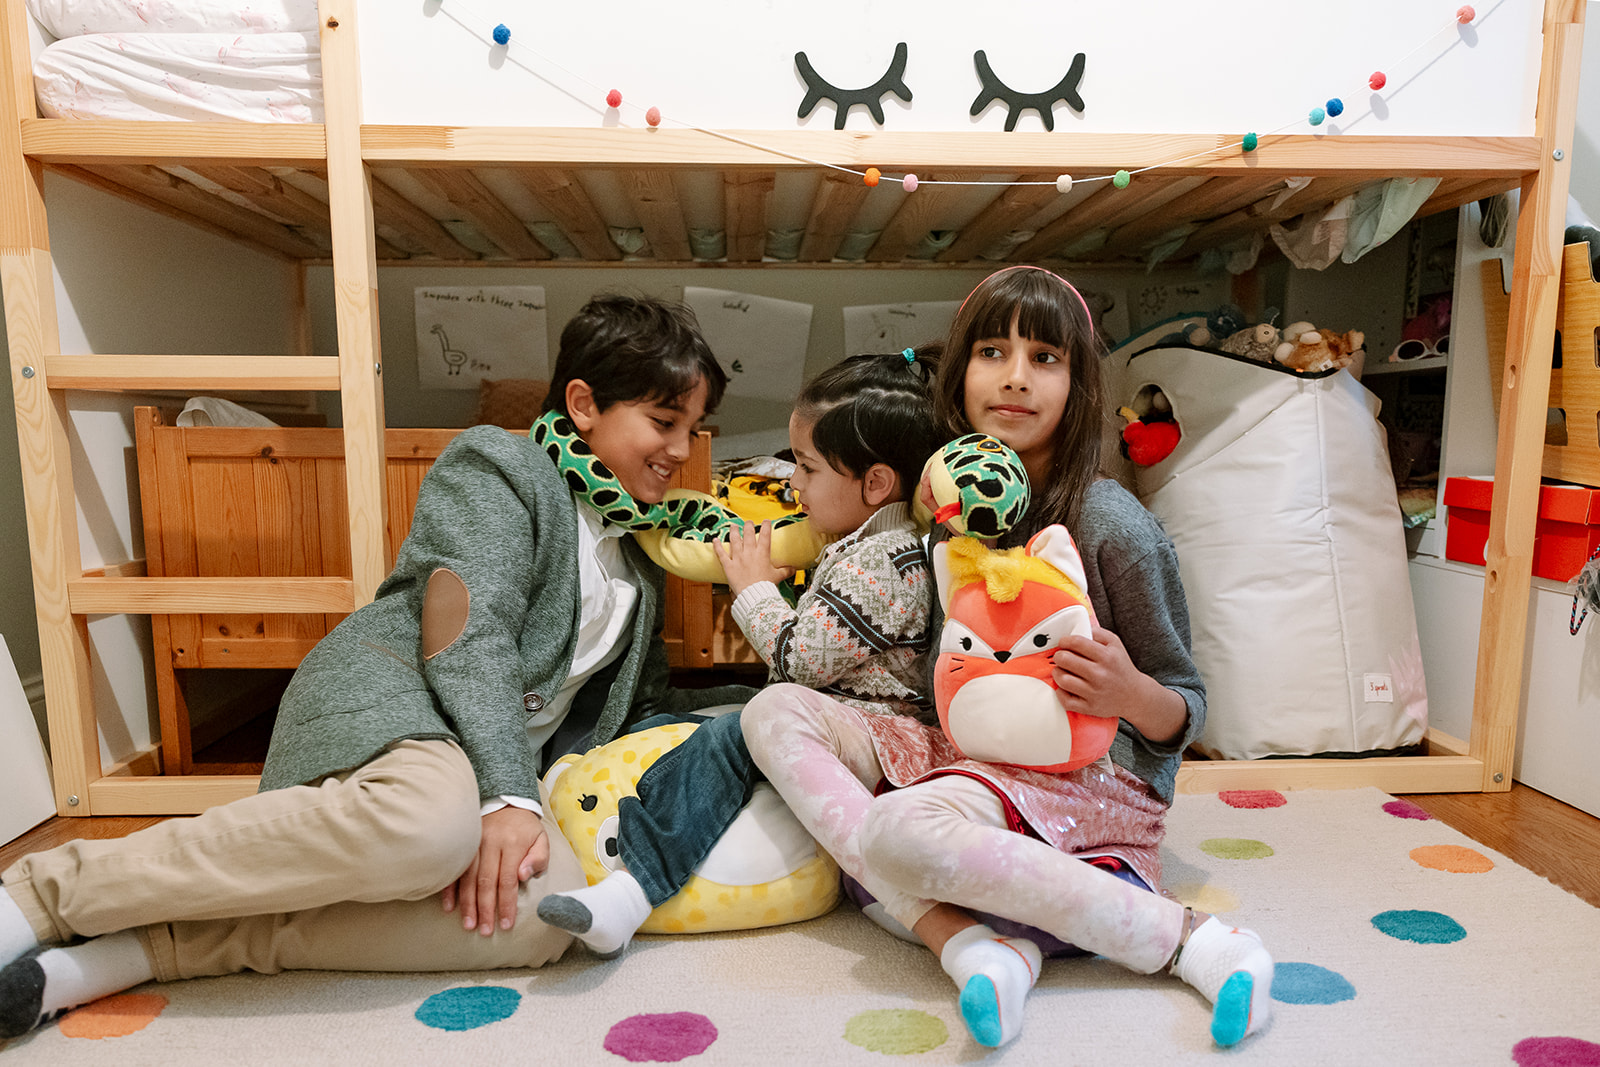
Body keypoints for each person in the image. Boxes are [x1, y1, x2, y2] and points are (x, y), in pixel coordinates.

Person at [0, 294, 756, 1038]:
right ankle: (43, 893)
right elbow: (471, 634)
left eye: (693, 428)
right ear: (584, 403)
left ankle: (152, 950)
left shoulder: (641, 552)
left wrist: (763, 696)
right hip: (404, 698)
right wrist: (506, 795)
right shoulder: (501, 465)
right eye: (664, 422)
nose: (682, 451)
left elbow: (643, 698)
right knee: (430, 824)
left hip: (492, 765)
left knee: (547, 917)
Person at [742, 266, 1275, 1050]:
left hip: (1091, 783)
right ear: (957, 377)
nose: (1016, 377)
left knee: (891, 843)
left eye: (1046, 358)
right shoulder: (942, 522)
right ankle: (977, 942)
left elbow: (1183, 707)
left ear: (1078, 384)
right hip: (968, 765)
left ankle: (1187, 937)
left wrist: (1128, 689)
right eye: (992, 351)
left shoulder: (1110, 523)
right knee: (772, 709)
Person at [537, 347, 946, 958]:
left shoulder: (884, 561)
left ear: (876, 483)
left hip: (884, 739)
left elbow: (799, 662)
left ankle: (632, 888)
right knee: (694, 718)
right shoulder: (860, 546)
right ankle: (591, 782)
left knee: (736, 733)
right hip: (840, 719)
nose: (793, 485)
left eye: (805, 468)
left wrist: (752, 590)